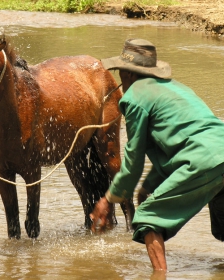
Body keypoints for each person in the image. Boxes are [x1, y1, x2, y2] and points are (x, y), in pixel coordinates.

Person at [90, 38, 224, 272]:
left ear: (128, 73)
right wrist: (146, 188)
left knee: (147, 217)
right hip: (217, 151)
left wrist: (108, 198)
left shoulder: (134, 98)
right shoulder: (177, 87)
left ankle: (159, 276)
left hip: (204, 158)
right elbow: (171, 149)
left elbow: (133, 161)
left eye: (121, 71)